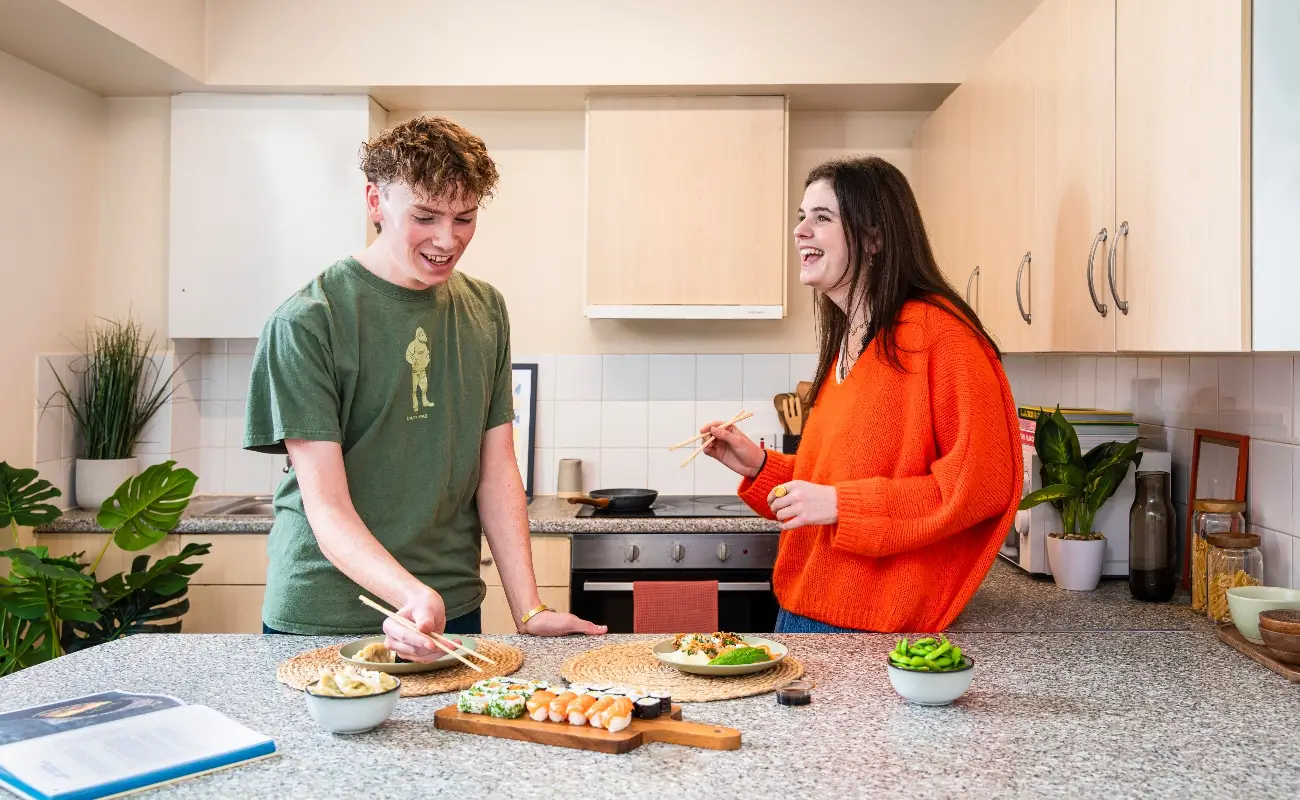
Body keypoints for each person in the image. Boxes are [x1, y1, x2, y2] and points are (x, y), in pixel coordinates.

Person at [243, 116, 606, 657]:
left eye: (464, 217)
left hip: (451, 607)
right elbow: (327, 508)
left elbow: (497, 469)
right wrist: (408, 595)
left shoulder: (485, 308)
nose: (447, 239)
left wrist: (528, 609)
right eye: (425, 216)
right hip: (329, 613)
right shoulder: (308, 321)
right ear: (375, 202)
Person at [701, 155, 1023, 634]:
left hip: (871, 631)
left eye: (822, 218)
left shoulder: (939, 334)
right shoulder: (852, 342)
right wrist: (761, 467)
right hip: (806, 609)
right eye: (801, 217)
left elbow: (979, 487)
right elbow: (838, 482)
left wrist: (840, 505)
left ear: (874, 238)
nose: (800, 231)